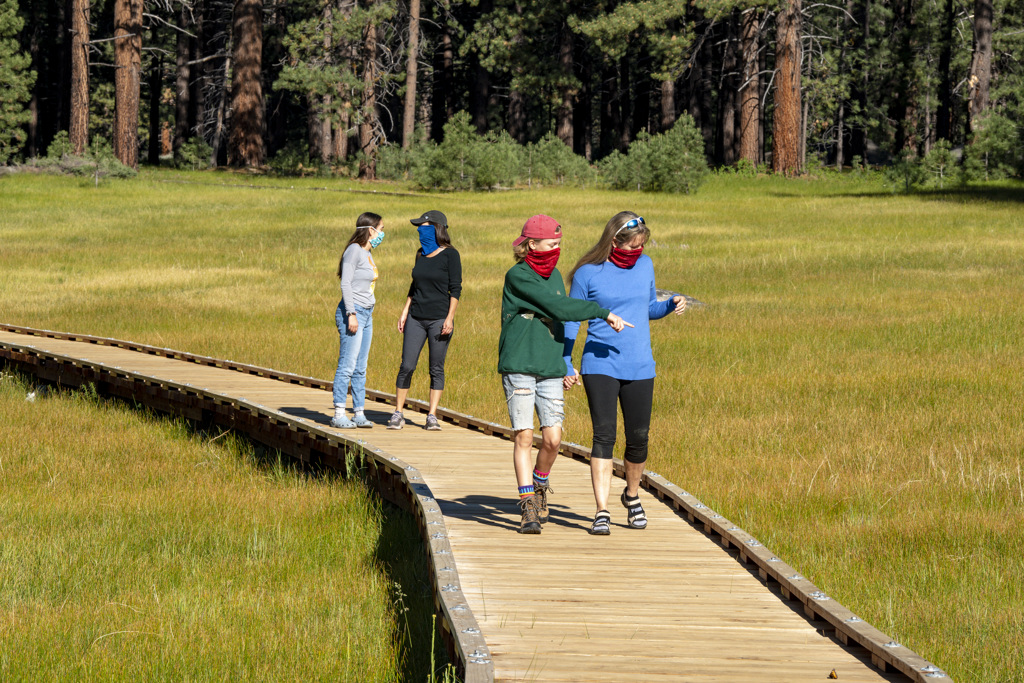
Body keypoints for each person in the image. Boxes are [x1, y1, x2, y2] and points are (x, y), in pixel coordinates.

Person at [498, 214, 631, 534]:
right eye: (551, 244)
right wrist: (601, 311)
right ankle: (528, 505)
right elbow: (558, 309)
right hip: (519, 364)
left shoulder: (556, 276)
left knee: (553, 440)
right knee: (524, 436)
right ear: (532, 245)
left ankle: (539, 484)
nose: (556, 249)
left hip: (550, 368)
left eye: (559, 244)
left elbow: (560, 320)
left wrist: (565, 364)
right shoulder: (518, 276)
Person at [564, 211, 687, 534]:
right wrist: (565, 360)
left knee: (639, 437)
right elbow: (572, 318)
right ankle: (601, 509)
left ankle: (631, 496)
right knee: (604, 435)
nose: (637, 252)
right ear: (614, 241)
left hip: (640, 364)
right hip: (599, 364)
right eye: (632, 246)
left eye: (642, 246)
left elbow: (647, 308)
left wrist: (670, 304)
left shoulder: (645, 265)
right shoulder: (587, 273)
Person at [386, 210, 463, 431]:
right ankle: (398, 413)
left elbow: (456, 288)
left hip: (439, 319)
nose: (420, 229)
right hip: (416, 317)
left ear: (437, 228)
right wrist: (404, 311)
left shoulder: (451, 255)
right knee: (407, 365)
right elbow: (415, 286)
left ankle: (432, 416)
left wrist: (450, 318)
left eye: (424, 226)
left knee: (436, 368)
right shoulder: (420, 254)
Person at [331, 212, 386, 429]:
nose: (382, 233)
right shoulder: (353, 250)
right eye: (381, 229)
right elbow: (345, 283)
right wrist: (351, 313)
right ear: (371, 230)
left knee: (361, 367)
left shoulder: (367, 252)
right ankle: (338, 414)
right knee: (347, 365)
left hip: (367, 314)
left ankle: (359, 413)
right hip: (352, 314)